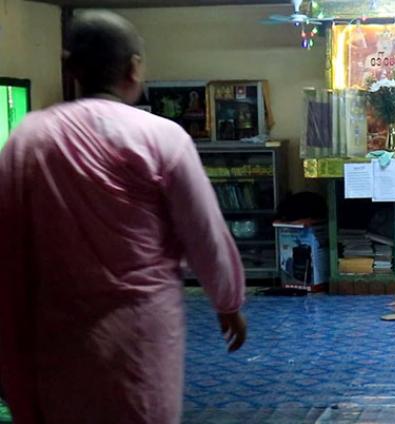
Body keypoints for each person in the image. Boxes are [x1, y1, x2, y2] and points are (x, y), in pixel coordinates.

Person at [0, 11, 247, 423]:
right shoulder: (161, 137)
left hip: (54, 337)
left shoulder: (27, 138)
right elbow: (204, 233)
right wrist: (228, 301)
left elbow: (8, 245)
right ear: (134, 68)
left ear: (70, 68)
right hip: (137, 336)